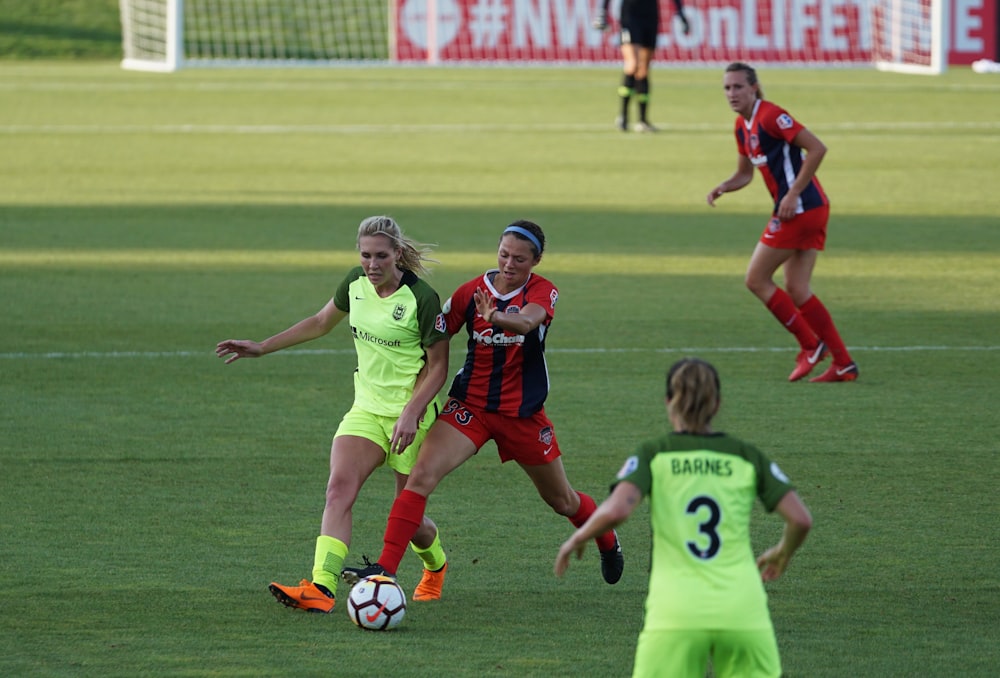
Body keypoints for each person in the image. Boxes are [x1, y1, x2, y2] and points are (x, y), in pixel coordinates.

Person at [342, 220, 624, 590]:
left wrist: (496, 318)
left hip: (522, 416)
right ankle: (385, 568)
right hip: (469, 408)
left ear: (536, 261)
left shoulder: (543, 291)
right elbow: (435, 332)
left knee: (562, 500)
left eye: (519, 259)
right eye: (504, 255)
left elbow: (527, 322)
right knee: (420, 479)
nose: (509, 264)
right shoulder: (471, 291)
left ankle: (606, 538)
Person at [215, 216, 451, 612]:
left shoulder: (421, 299)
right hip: (366, 410)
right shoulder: (354, 284)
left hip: (412, 416)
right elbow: (321, 322)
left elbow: (439, 366)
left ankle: (435, 566)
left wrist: (412, 412)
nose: (371, 265)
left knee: (408, 515)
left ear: (397, 255)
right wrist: (262, 347)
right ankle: (321, 588)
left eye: (380, 256)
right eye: (364, 255)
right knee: (338, 489)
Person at [555, 358, 813, 678]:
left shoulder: (655, 453)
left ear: (668, 402)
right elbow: (801, 519)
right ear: (717, 404)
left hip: (676, 611)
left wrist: (579, 537)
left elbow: (618, 509)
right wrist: (782, 552)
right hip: (741, 608)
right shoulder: (745, 455)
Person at [706, 61, 858, 383]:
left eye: (738, 87)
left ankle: (811, 345)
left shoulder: (772, 116)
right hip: (804, 208)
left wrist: (792, 194)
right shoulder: (741, 126)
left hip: (800, 208)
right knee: (798, 289)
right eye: (727, 88)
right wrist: (724, 186)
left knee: (756, 279)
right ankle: (843, 364)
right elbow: (745, 173)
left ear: (754, 88)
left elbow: (817, 149)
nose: (731, 93)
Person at [593, 0, 689, 132]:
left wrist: (681, 15)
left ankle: (642, 120)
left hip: (650, 16)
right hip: (630, 16)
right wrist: (602, 12)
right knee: (632, 64)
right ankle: (623, 116)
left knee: (643, 69)